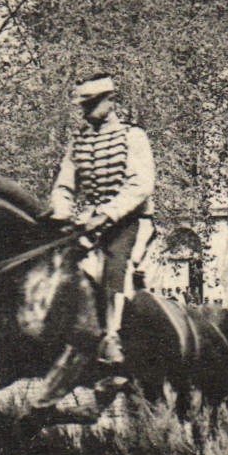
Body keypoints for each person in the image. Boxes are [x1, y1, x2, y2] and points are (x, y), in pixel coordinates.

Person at [49, 73, 154, 371]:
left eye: (92, 103)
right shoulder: (78, 142)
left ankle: (112, 336)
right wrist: (62, 215)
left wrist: (106, 214)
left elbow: (140, 186)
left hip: (130, 221)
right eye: (83, 104)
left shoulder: (132, 136)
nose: (86, 110)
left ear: (110, 101)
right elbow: (64, 186)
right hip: (91, 223)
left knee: (114, 268)